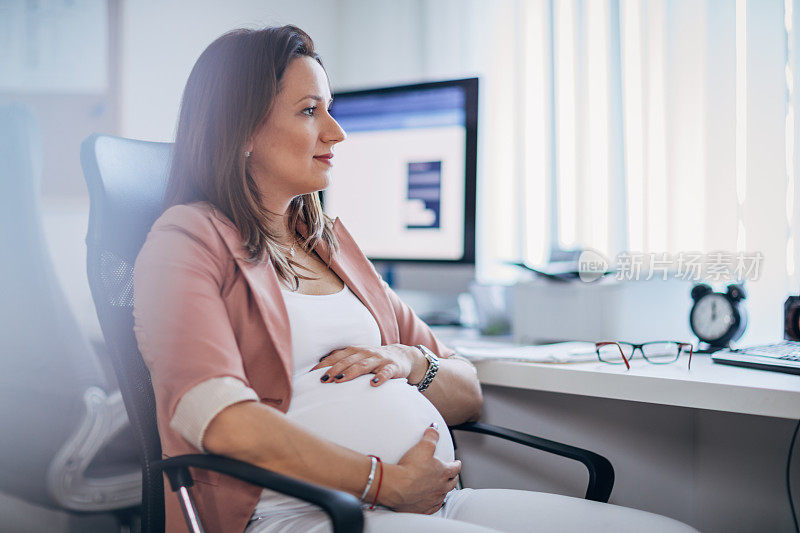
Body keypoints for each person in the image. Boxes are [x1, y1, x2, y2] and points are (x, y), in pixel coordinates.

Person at [133, 25, 698, 533]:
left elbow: (466, 391)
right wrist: (385, 482)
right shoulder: (186, 241)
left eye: (329, 108)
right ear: (243, 130)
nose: (336, 132)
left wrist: (409, 361)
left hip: (432, 504)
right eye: (310, 111)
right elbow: (220, 422)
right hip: (306, 517)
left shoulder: (327, 243)